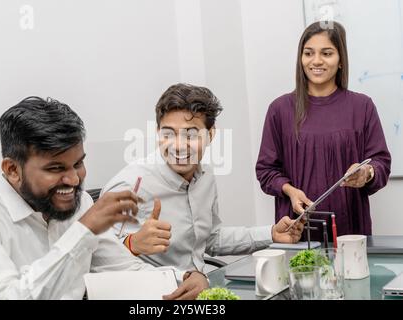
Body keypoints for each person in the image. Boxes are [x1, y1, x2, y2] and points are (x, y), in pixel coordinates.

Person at [0, 96, 208, 300]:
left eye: (78, 164)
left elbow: (123, 271)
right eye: (56, 168)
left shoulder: (79, 202)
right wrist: (83, 230)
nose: (74, 180)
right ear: (12, 170)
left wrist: (184, 277)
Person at [104, 83, 304, 271]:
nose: (179, 145)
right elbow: (98, 257)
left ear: (211, 134)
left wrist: (271, 234)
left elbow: (210, 239)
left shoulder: (205, 176)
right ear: (158, 132)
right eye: (168, 134)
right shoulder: (131, 183)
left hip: (200, 290)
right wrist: (132, 244)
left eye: (191, 135)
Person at [255, 21, 391, 240]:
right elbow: (265, 170)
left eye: (326, 53)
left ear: (340, 61)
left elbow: (381, 163)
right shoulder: (279, 109)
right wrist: (290, 191)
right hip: (296, 233)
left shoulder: (362, 106)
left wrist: (367, 173)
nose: (316, 61)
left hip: (350, 234)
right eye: (308, 53)